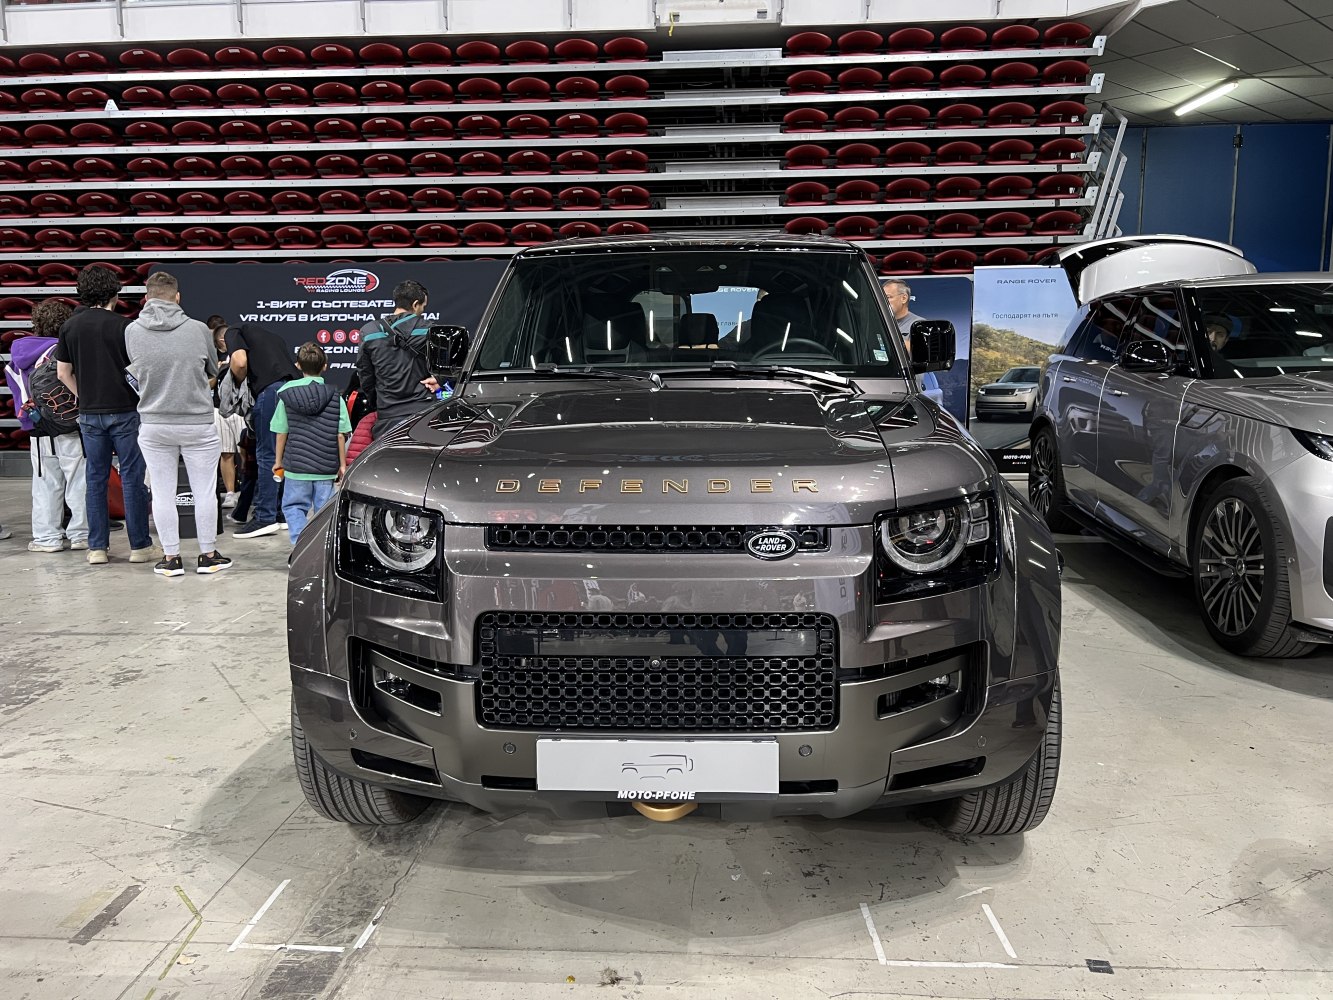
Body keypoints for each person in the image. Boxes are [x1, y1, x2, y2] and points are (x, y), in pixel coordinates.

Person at [124, 271, 232, 577]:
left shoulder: (132, 331)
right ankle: (208, 555)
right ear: (178, 297)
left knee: (161, 493)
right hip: (196, 421)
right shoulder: (199, 330)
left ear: (146, 298)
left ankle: (171, 558)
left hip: (154, 421)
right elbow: (212, 369)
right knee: (204, 491)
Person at [55, 264, 155, 566]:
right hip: (125, 410)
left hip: (89, 413)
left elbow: (63, 373)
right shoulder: (125, 327)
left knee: (95, 479)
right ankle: (139, 546)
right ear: (115, 291)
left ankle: (97, 547)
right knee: (132, 479)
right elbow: (140, 371)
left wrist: (83, 396)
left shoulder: (69, 327)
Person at [5, 298, 87, 552]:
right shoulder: (64, 350)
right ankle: (80, 535)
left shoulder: (17, 355)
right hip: (68, 424)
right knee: (78, 481)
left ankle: (46, 538)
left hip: (37, 427)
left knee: (45, 483)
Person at [271, 343, 351, 544]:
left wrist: (278, 461)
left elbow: (282, 432)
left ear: (298, 365)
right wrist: (342, 465)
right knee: (324, 512)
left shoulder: (286, 394)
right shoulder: (334, 396)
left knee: (293, 507)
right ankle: (318, 552)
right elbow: (340, 434)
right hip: (326, 466)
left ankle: (299, 548)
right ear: (325, 365)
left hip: (296, 465)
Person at [224, 322, 296, 538]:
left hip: (271, 393)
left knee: (267, 455)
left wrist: (236, 384)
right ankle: (280, 513)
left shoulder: (234, 331)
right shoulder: (275, 338)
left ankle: (265, 517)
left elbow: (239, 362)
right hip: (294, 390)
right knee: (284, 455)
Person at [356, 279, 437, 439]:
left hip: (387, 413)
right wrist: (439, 379)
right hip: (423, 412)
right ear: (415, 304)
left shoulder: (369, 331)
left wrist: (378, 402)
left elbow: (365, 376)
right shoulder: (429, 329)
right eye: (423, 306)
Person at [880, 278, 943, 404]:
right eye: (881, 298)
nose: (883, 302)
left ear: (904, 298)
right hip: (878, 391)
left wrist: (887, 341)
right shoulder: (877, 324)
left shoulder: (920, 324)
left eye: (888, 297)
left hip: (908, 396)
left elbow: (919, 352)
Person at [208, 314, 244, 509]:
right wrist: (218, 369)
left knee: (246, 453)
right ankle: (230, 493)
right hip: (219, 409)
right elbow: (210, 383)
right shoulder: (212, 356)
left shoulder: (241, 354)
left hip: (240, 409)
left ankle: (248, 489)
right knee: (226, 452)